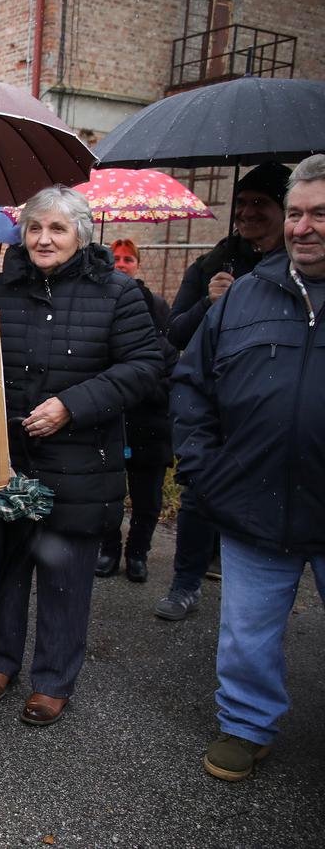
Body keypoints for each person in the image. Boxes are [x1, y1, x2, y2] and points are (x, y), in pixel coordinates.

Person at [0, 185, 161, 727]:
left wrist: (72, 407)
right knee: (5, 566)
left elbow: (145, 366)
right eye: (35, 228)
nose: (44, 238)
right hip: (12, 457)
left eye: (57, 228)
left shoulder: (118, 293)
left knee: (65, 577)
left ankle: (53, 680)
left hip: (81, 461)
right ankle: (0, 661)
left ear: (82, 233)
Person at [173, 154, 325, 782]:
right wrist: (205, 468)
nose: (303, 227)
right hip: (253, 499)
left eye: (320, 214)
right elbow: (192, 384)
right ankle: (245, 724)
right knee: (246, 633)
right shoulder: (243, 295)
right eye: (297, 213)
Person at [157, 163, 289, 620]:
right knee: (200, 495)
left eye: (261, 203)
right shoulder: (214, 264)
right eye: (242, 203)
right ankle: (185, 583)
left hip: (274, 409)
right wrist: (208, 303)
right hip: (218, 406)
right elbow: (174, 332)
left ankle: (255, 593)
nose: (247, 212)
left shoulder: (304, 271)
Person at [95, 239, 177, 583]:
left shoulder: (158, 322)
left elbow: (168, 380)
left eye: (128, 258)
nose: (121, 263)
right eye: (116, 258)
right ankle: (109, 548)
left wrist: (134, 385)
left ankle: (138, 552)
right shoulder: (102, 327)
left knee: (147, 500)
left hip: (150, 430)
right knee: (107, 496)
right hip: (114, 427)